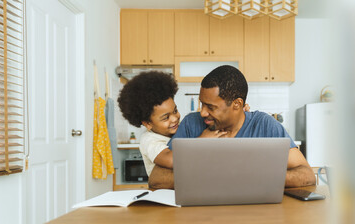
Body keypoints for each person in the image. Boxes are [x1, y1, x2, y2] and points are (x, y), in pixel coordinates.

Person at [148, 65, 316, 189]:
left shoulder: (265, 125)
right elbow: (156, 179)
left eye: (211, 107)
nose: (203, 113)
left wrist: (253, 177)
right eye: (202, 105)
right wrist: (221, 176)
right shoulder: (191, 124)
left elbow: (306, 175)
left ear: (237, 104)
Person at [117, 71, 226, 176]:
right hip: (163, 190)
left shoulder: (176, 129)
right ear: (147, 123)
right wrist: (201, 141)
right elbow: (171, 159)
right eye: (166, 118)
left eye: (175, 111)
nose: (174, 119)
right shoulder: (149, 140)